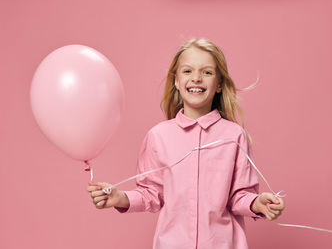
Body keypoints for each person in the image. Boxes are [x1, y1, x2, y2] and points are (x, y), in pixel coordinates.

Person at [87, 38, 285, 249]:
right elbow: (150, 194)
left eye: (207, 72)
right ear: (176, 81)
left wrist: (257, 203)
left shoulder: (235, 136)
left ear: (219, 84)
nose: (197, 78)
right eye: (188, 71)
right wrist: (120, 197)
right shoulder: (158, 136)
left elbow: (240, 196)